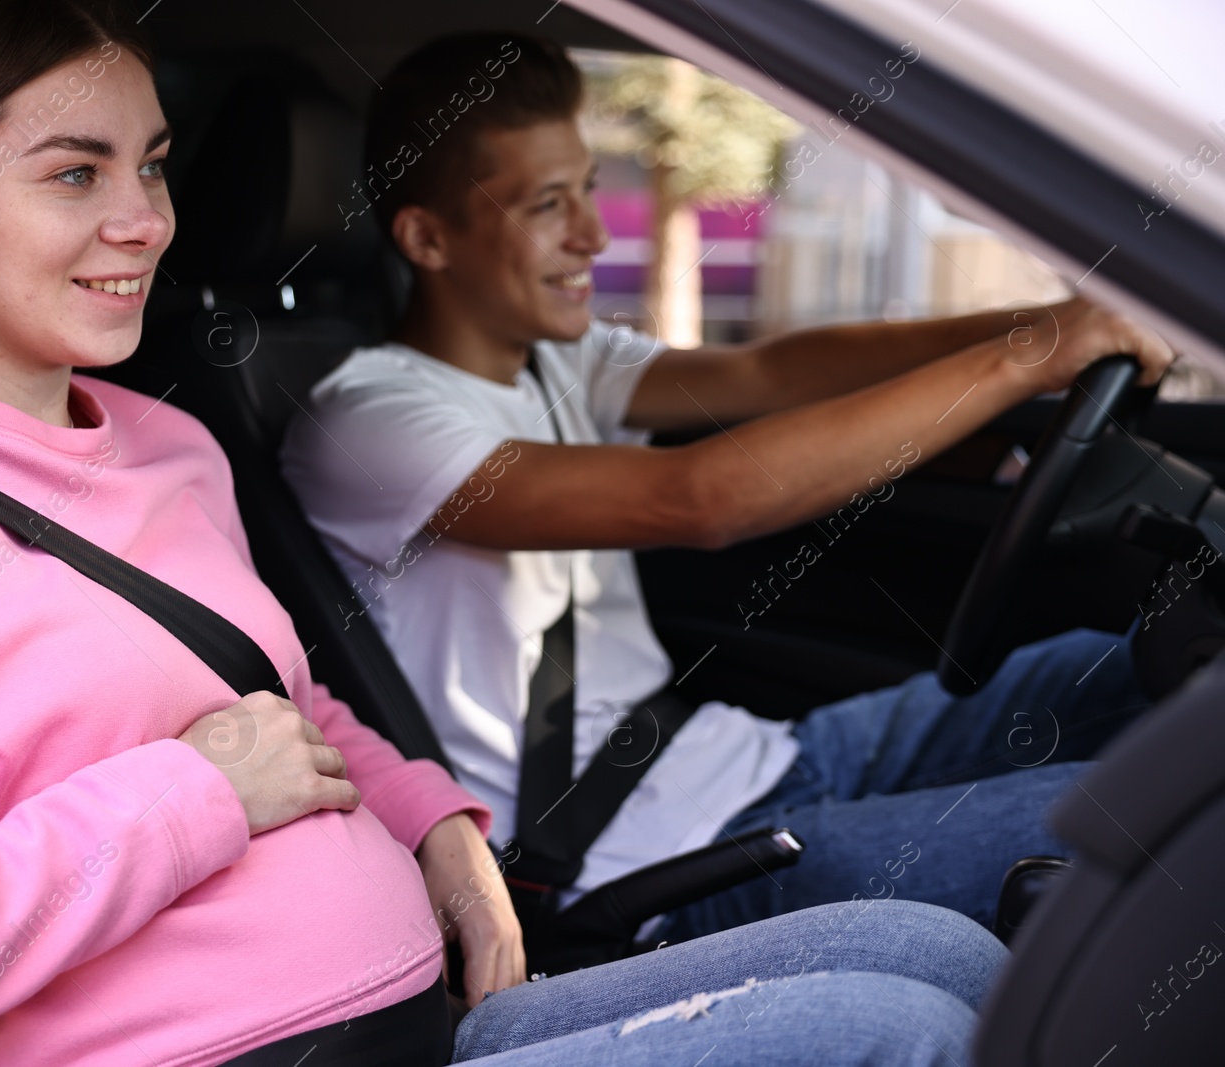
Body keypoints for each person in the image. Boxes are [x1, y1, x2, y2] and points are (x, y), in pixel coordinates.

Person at [0, 4, 1015, 1066]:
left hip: (410, 1016)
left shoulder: (166, 441)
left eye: (151, 163)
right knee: (910, 1032)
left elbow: (286, 702)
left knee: (945, 957)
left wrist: (437, 825)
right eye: (74, 172)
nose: (146, 219)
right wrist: (195, 794)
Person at [279, 32, 1174, 944]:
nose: (594, 232)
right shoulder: (369, 419)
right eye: (549, 205)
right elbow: (695, 499)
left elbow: (774, 372)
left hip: (739, 757)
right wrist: (1027, 360)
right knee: (1165, 822)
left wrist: (1046, 325)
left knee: (1140, 668)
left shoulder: (560, 362)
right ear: (428, 237)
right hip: (639, 857)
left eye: (588, 187)